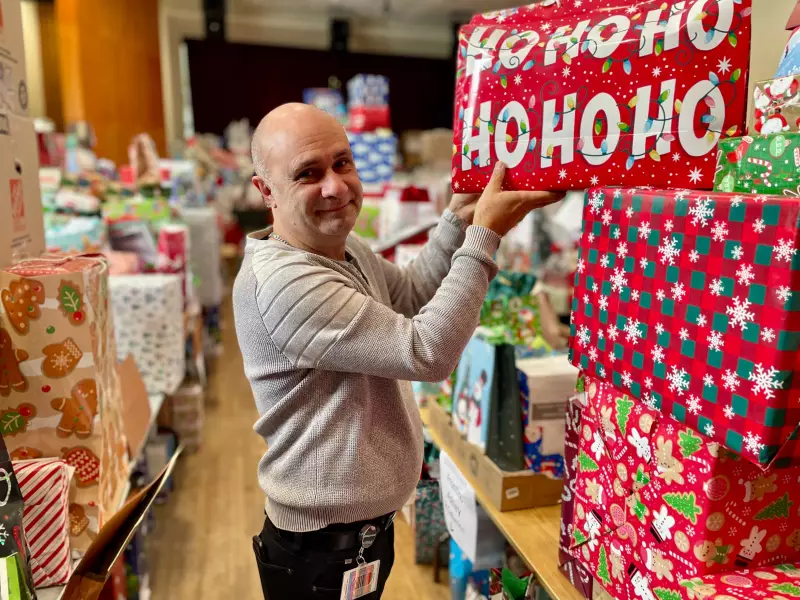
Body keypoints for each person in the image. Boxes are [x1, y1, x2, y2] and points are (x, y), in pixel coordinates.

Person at [233, 102, 563, 600]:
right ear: (266, 192)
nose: (335, 187)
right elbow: (426, 352)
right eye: (308, 174)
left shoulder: (340, 247)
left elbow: (409, 294)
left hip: (357, 535)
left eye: (342, 163)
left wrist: (457, 219)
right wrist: (484, 238)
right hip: (320, 550)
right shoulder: (284, 282)